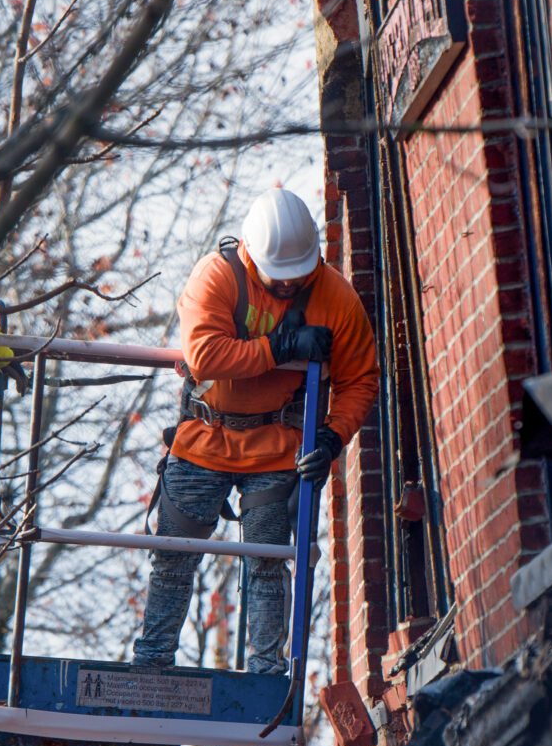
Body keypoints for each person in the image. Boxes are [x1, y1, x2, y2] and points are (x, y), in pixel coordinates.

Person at [132, 189, 379, 673]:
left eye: (298, 278)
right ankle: (152, 662)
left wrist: (332, 437)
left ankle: (266, 671)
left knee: (267, 560)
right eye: (278, 278)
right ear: (250, 254)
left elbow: (360, 380)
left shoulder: (336, 298)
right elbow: (205, 355)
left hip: (277, 448)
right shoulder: (218, 276)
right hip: (204, 439)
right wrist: (281, 345)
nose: (287, 287)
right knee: (174, 555)